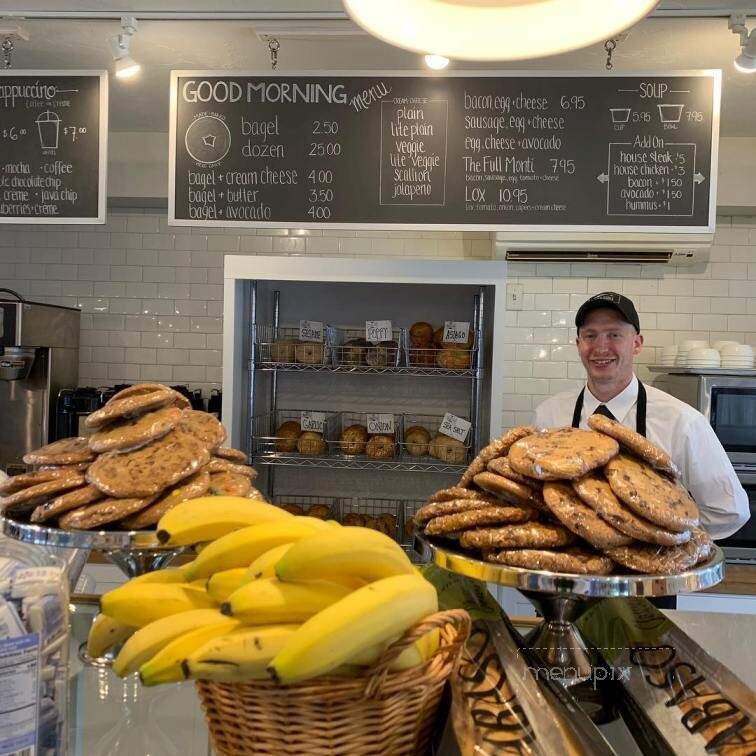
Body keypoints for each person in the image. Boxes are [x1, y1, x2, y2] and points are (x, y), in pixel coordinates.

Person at [534, 291, 749, 542]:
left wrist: (658, 539)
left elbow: (729, 510)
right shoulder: (549, 415)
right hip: (572, 571)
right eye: (590, 336)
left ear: (636, 343)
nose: (601, 347)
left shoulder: (682, 422)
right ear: (578, 344)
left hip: (649, 579)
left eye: (614, 335)